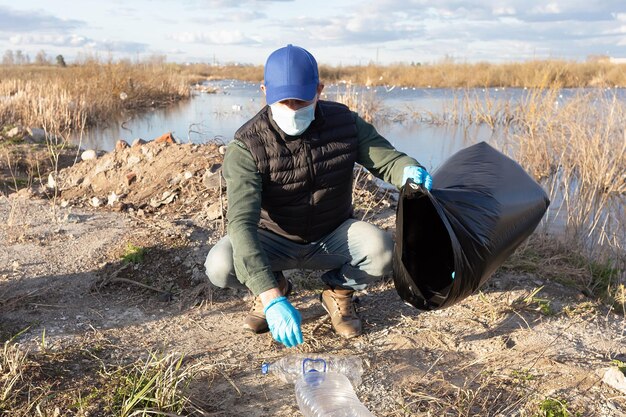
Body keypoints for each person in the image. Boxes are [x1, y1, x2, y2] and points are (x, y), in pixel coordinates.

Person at [205, 44, 432, 348]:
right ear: (264, 91)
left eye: (301, 100)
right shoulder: (247, 146)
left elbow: (387, 160)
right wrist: (270, 296)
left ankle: (337, 292)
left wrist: (408, 170)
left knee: (382, 251)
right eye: (284, 101)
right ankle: (276, 287)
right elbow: (242, 223)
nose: (293, 109)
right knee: (220, 265)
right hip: (272, 237)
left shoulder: (345, 124)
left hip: (332, 232)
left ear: (319, 90)